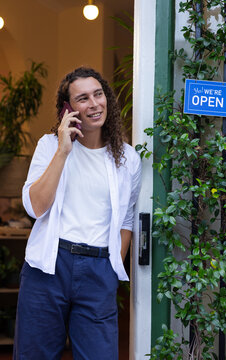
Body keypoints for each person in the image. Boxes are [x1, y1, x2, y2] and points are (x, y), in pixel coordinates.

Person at [13, 66, 141, 360]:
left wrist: (111, 267)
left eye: (98, 94)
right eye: (82, 98)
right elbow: (35, 207)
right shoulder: (49, 147)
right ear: (68, 109)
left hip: (98, 271)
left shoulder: (128, 159)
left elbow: (126, 220)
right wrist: (62, 150)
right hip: (47, 269)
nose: (94, 104)